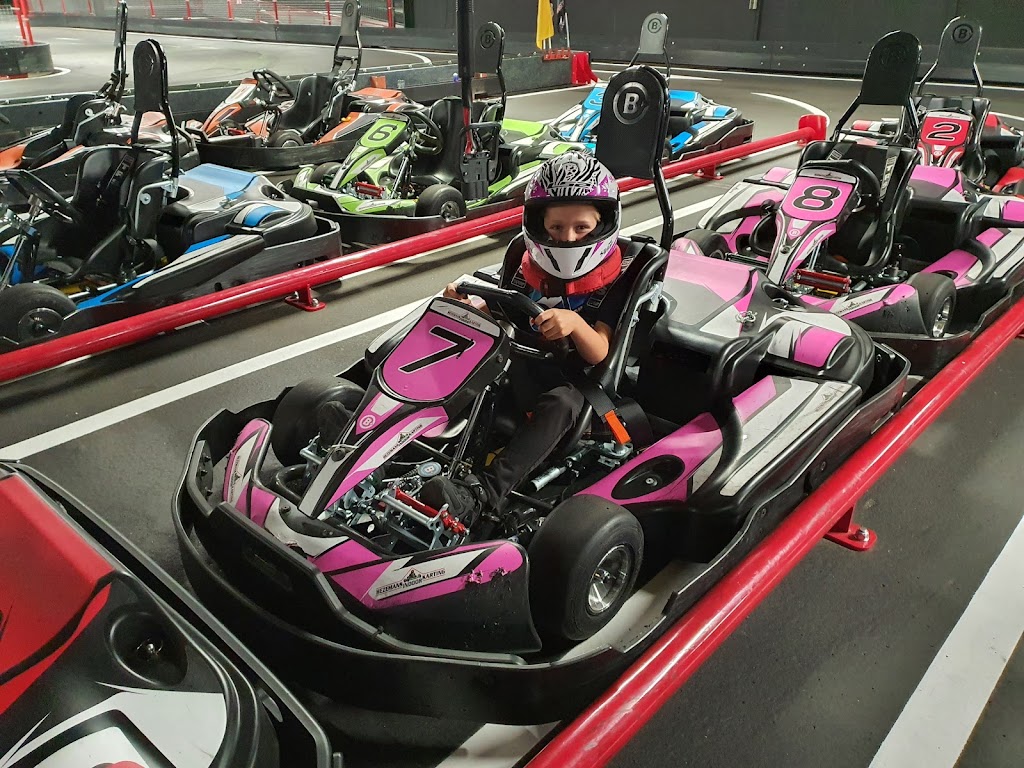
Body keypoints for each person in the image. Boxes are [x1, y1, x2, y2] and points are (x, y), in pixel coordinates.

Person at [420, 150, 632, 522]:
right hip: (518, 362)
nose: (567, 238)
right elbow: (501, 312)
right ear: (538, 223)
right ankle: (384, 436)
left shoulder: (617, 278)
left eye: (581, 228)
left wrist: (575, 324)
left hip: (577, 387)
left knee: (561, 402)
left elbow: (601, 352)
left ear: (603, 224)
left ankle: (481, 496)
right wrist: (465, 306)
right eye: (556, 228)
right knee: (463, 350)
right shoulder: (524, 258)